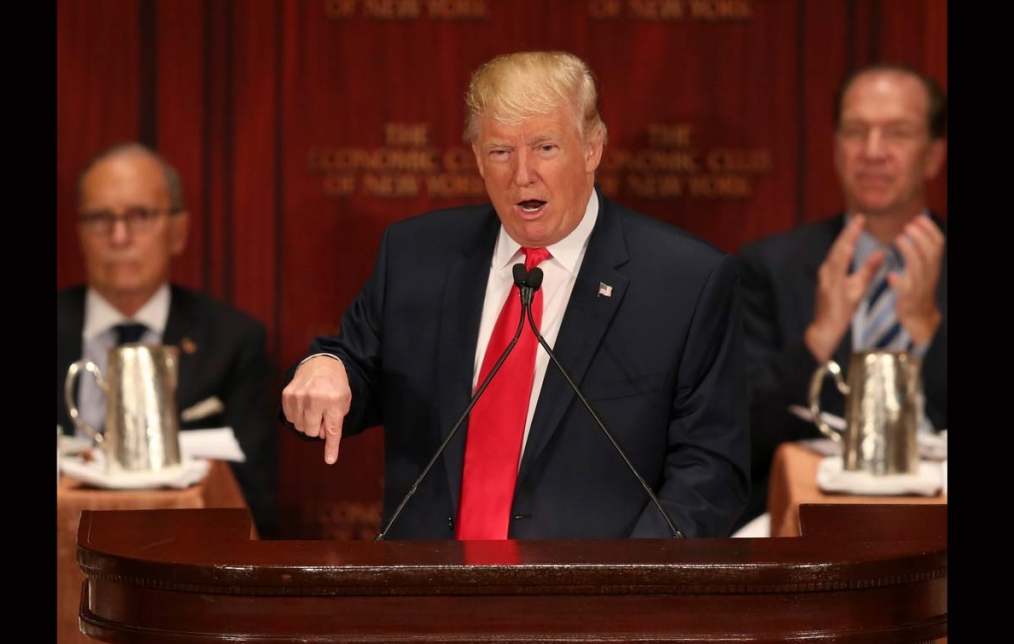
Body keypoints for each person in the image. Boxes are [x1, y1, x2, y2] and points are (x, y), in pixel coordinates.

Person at [282, 51, 749, 541]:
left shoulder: (686, 281)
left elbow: (712, 473)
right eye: (501, 151)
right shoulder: (416, 256)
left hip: (595, 604)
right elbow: (353, 366)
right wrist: (325, 368)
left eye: (545, 147)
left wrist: (622, 586)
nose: (522, 174)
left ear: (592, 148)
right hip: (426, 596)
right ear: (478, 159)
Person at [734, 62, 948, 530]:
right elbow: (735, 436)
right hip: (809, 520)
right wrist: (817, 339)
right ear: (835, 148)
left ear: (934, 155)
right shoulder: (770, 267)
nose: (873, 152)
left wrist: (929, 331)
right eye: (855, 131)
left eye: (898, 133)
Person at [56, 142, 280, 539]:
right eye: (100, 218)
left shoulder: (232, 340)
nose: (119, 236)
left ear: (178, 231)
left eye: (140, 216)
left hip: (181, 553)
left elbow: (253, 499)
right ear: (79, 233)